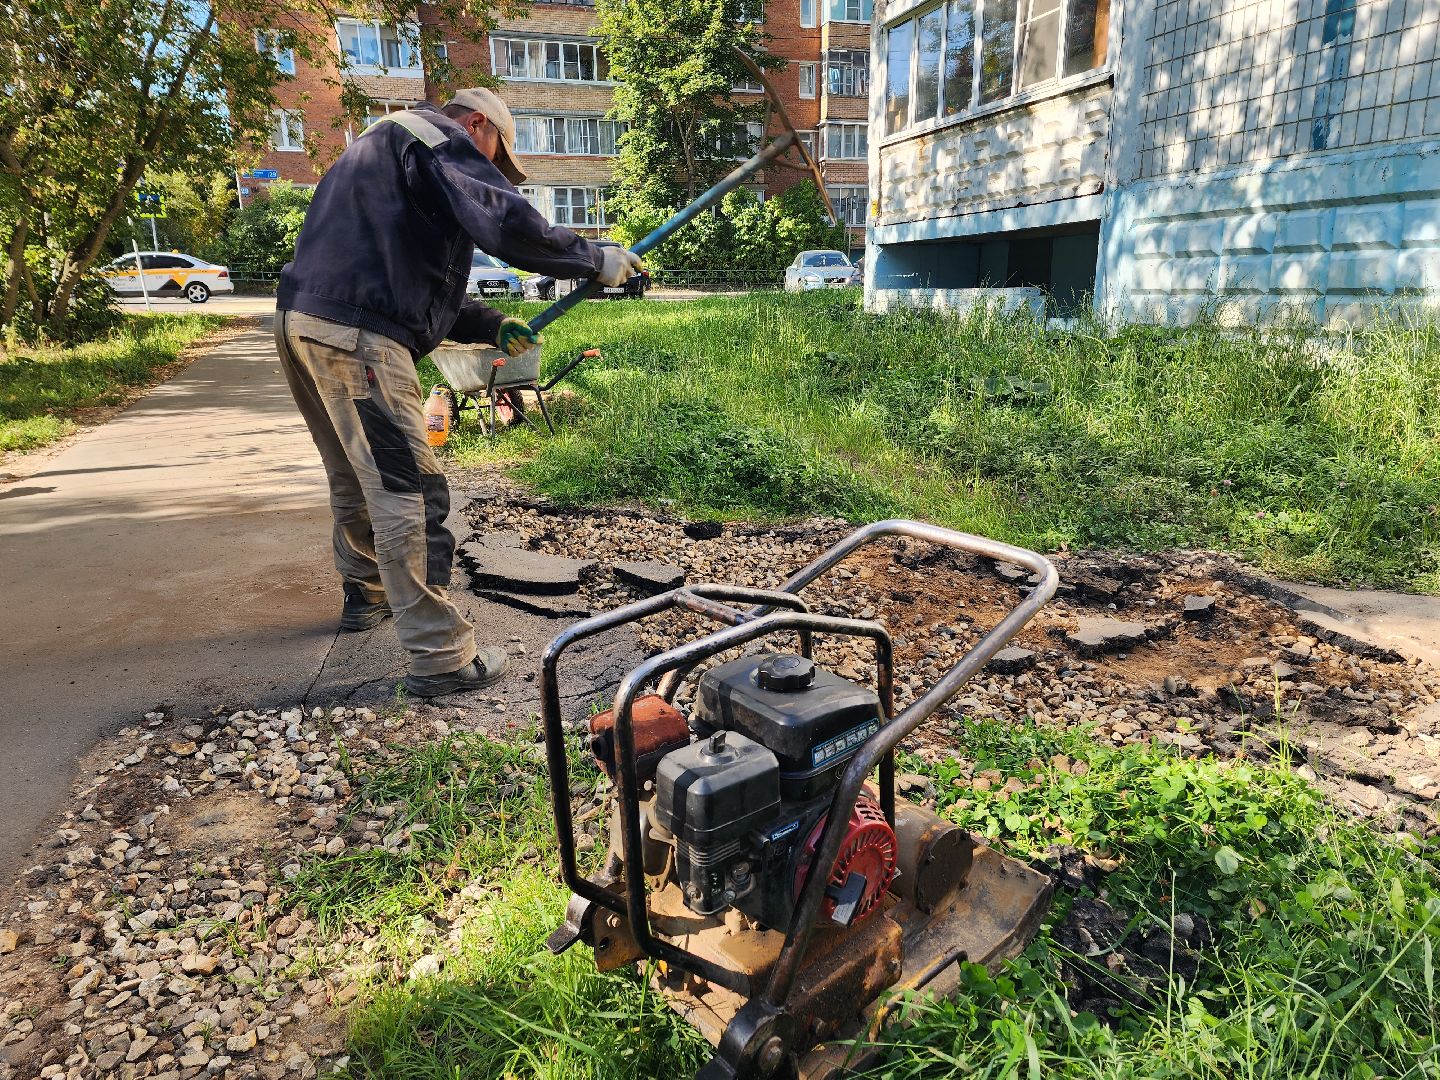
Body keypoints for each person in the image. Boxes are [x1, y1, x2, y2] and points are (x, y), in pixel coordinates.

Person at [273, 88, 641, 698]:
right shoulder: (435, 138)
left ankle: (366, 592)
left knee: (353, 473)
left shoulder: (377, 150)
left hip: (303, 324)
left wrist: (493, 324)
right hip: (357, 335)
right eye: (494, 157)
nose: (492, 172)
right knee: (409, 490)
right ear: (477, 124)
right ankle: (439, 657)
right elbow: (502, 221)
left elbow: (408, 280)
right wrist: (592, 258)